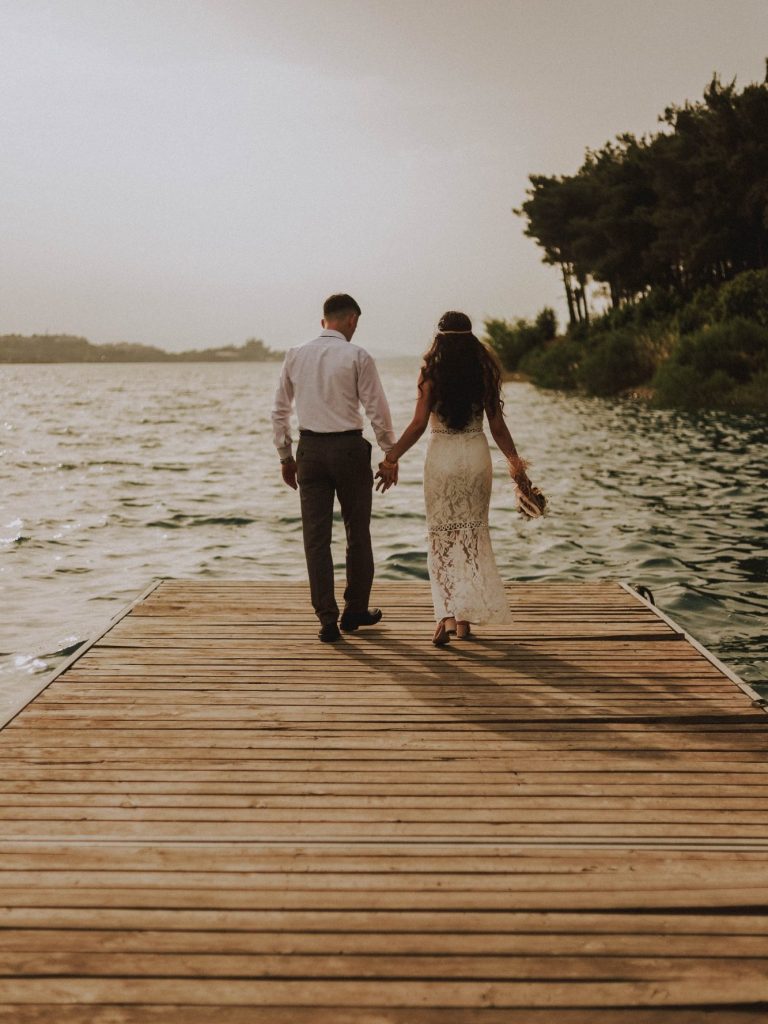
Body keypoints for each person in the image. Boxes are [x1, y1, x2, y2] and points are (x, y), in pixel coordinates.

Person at [375, 310, 531, 646]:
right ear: (471, 337)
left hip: (442, 459)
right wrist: (517, 466)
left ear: (440, 338)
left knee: (441, 538)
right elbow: (498, 428)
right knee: (471, 538)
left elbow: (418, 425)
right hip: (476, 456)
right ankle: (463, 620)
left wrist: (391, 457)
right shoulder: (484, 372)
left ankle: (445, 616)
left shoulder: (430, 373)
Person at [272, 294, 397, 643]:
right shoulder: (358, 355)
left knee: (316, 537)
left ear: (323, 319)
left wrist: (285, 456)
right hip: (348, 449)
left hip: (309, 450)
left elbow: (279, 411)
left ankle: (326, 619)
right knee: (358, 533)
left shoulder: (295, 354)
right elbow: (377, 409)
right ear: (352, 319)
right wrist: (390, 454)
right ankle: (354, 611)